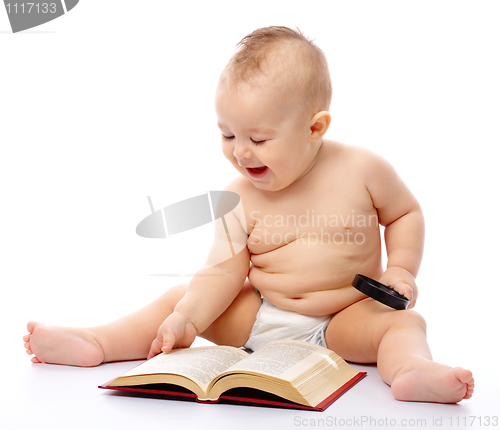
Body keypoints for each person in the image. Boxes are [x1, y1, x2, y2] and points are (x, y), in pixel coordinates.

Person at [23, 26, 473, 403]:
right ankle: (98, 342)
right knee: (178, 299)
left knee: (402, 323)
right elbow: (222, 272)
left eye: (258, 139)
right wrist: (190, 320)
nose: (240, 152)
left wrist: (401, 270)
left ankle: (412, 371)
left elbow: (404, 214)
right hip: (259, 315)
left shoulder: (363, 170)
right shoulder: (239, 197)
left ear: (314, 127)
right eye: (227, 134)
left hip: (342, 319)